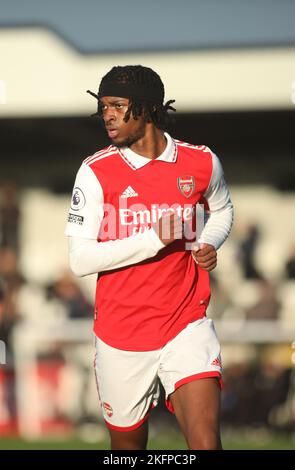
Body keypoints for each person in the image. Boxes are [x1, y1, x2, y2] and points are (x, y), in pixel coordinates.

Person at [65, 65, 234, 450]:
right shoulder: (94, 172)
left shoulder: (202, 162)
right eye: (103, 106)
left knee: (206, 443)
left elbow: (223, 209)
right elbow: (80, 260)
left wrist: (209, 241)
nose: (107, 114)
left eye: (117, 105)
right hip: (120, 334)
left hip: (186, 323)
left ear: (146, 108)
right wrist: (153, 238)